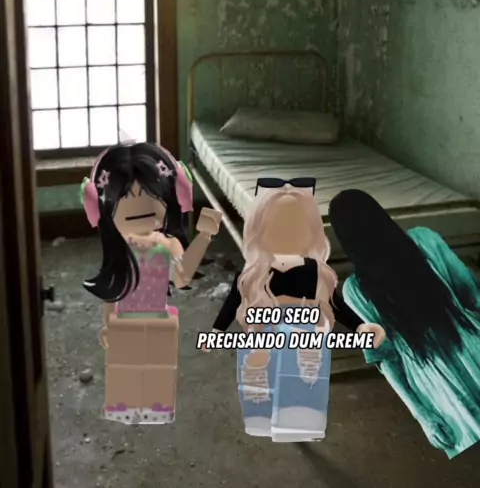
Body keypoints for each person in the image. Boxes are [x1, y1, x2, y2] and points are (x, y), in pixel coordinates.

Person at [205, 177, 385, 442]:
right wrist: (217, 329)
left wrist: (359, 325)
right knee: (262, 361)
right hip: (266, 327)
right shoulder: (254, 272)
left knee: (301, 368)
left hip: (302, 326)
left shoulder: (314, 271)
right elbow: (235, 298)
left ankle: (301, 398)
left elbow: (333, 302)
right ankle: (261, 384)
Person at [329, 188, 480, 458]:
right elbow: (471, 294)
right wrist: (422, 416)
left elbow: (385, 358)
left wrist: (422, 414)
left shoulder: (355, 291)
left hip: (436, 379)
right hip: (468, 347)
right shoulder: (425, 239)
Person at [81, 141, 221, 424]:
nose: (139, 205)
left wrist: (204, 238)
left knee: (158, 369)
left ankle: (156, 410)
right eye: (125, 197)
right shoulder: (120, 249)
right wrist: (108, 323)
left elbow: (182, 277)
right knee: (124, 370)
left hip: (158, 320)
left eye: (149, 194)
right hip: (124, 322)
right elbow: (114, 290)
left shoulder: (168, 245)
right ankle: (125, 408)